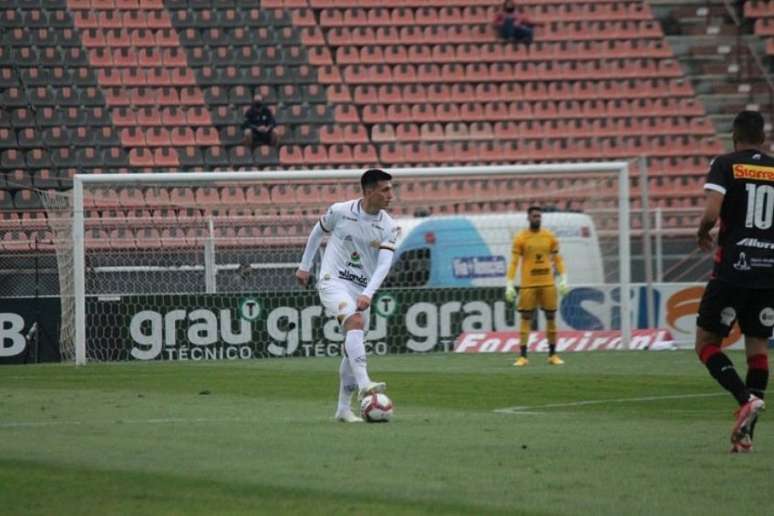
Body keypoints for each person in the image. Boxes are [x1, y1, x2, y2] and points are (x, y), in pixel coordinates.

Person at [695, 110, 773, 453]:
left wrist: (702, 232)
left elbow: (712, 213)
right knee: (757, 348)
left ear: (734, 136)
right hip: (768, 270)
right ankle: (746, 436)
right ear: (764, 138)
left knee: (706, 343)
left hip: (733, 268)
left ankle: (745, 399)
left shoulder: (725, 164)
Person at [296, 169, 399, 423]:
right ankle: (365, 384)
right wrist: (304, 265)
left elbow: (384, 264)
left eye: (390, 189)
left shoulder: (389, 226)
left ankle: (343, 409)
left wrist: (367, 293)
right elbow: (317, 232)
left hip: (361, 289)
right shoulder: (341, 211)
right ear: (368, 191)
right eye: (385, 190)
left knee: (351, 349)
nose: (391, 195)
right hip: (333, 282)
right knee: (354, 321)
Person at [505, 206, 568, 366]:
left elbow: (557, 259)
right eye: (534, 216)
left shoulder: (549, 236)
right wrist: (510, 284)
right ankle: (523, 357)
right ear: (528, 218)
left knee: (551, 318)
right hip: (528, 285)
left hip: (547, 283)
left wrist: (563, 278)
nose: (537, 219)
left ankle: (553, 355)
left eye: (539, 216)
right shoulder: (521, 238)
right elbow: (514, 262)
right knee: (526, 318)